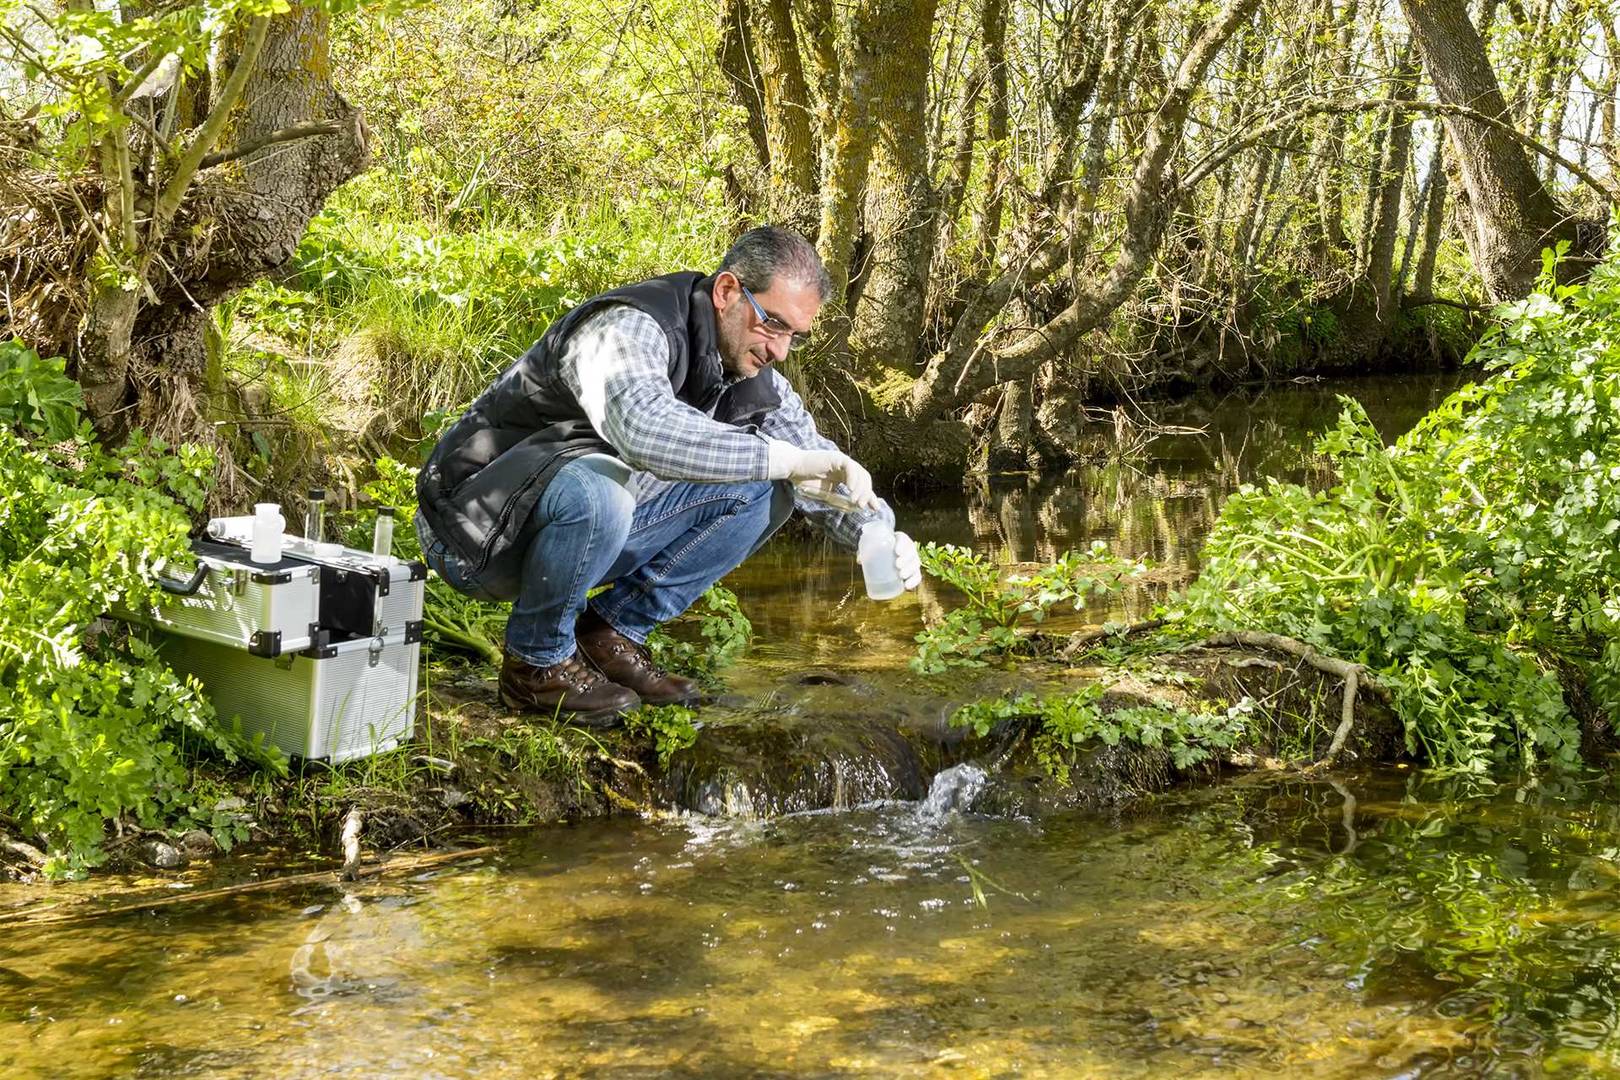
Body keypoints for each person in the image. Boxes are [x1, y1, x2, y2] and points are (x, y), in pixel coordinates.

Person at [415, 225, 922, 724]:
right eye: (773, 324)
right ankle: (536, 663)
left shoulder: (750, 376)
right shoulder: (628, 328)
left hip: (575, 529)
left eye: (793, 335)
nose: (780, 351)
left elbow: (820, 462)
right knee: (601, 490)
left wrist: (877, 529)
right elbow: (644, 428)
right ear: (727, 291)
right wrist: (785, 459)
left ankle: (608, 637)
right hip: (474, 533)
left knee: (767, 487)